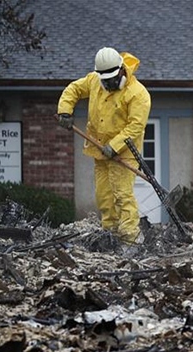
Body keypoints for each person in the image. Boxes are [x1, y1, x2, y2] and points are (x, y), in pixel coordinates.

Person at [56, 47, 151, 245]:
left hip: (124, 153)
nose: (108, 84)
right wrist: (65, 111)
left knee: (122, 196)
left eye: (112, 80)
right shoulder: (94, 81)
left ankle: (130, 239)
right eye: (105, 80)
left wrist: (114, 146)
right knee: (104, 197)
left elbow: (135, 126)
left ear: (121, 71)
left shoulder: (137, 94)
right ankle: (111, 236)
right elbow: (73, 89)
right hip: (99, 149)